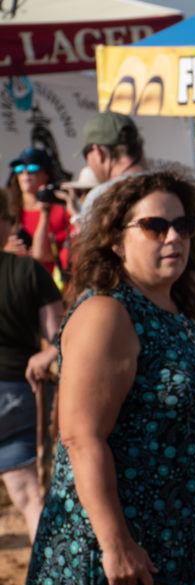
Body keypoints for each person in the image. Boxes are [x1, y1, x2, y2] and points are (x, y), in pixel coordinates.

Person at [13, 167, 195, 585]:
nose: (174, 237)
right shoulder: (108, 313)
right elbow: (79, 436)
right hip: (130, 549)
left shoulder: (176, 318)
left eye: (184, 226)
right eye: (155, 226)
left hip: (184, 547)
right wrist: (115, 543)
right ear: (116, 243)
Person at [0, 186, 62, 543]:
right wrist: (47, 354)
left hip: (17, 391)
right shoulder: (29, 271)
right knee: (28, 497)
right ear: (8, 223)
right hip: (17, 394)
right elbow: (58, 337)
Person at [4, 147, 72, 281]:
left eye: (32, 168)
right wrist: (5, 249)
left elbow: (47, 254)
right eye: (19, 169)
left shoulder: (63, 210)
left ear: (47, 174)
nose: (25, 174)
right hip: (13, 282)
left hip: (48, 285)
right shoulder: (6, 210)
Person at [76, 111, 149, 233]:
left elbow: (90, 250)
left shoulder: (100, 197)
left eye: (86, 154)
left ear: (98, 152)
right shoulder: (171, 188)